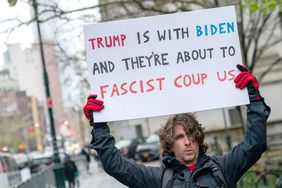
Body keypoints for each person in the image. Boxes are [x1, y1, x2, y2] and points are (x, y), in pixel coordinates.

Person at [83, 64, 271, 188]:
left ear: (198, 139)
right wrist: (99, 126)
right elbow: (115, 165)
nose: (188, 141)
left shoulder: (223, 168)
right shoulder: (158, 179)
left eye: (191, 135)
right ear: (170, 144)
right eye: (180, 137)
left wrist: (253, 99)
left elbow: (255, 144)